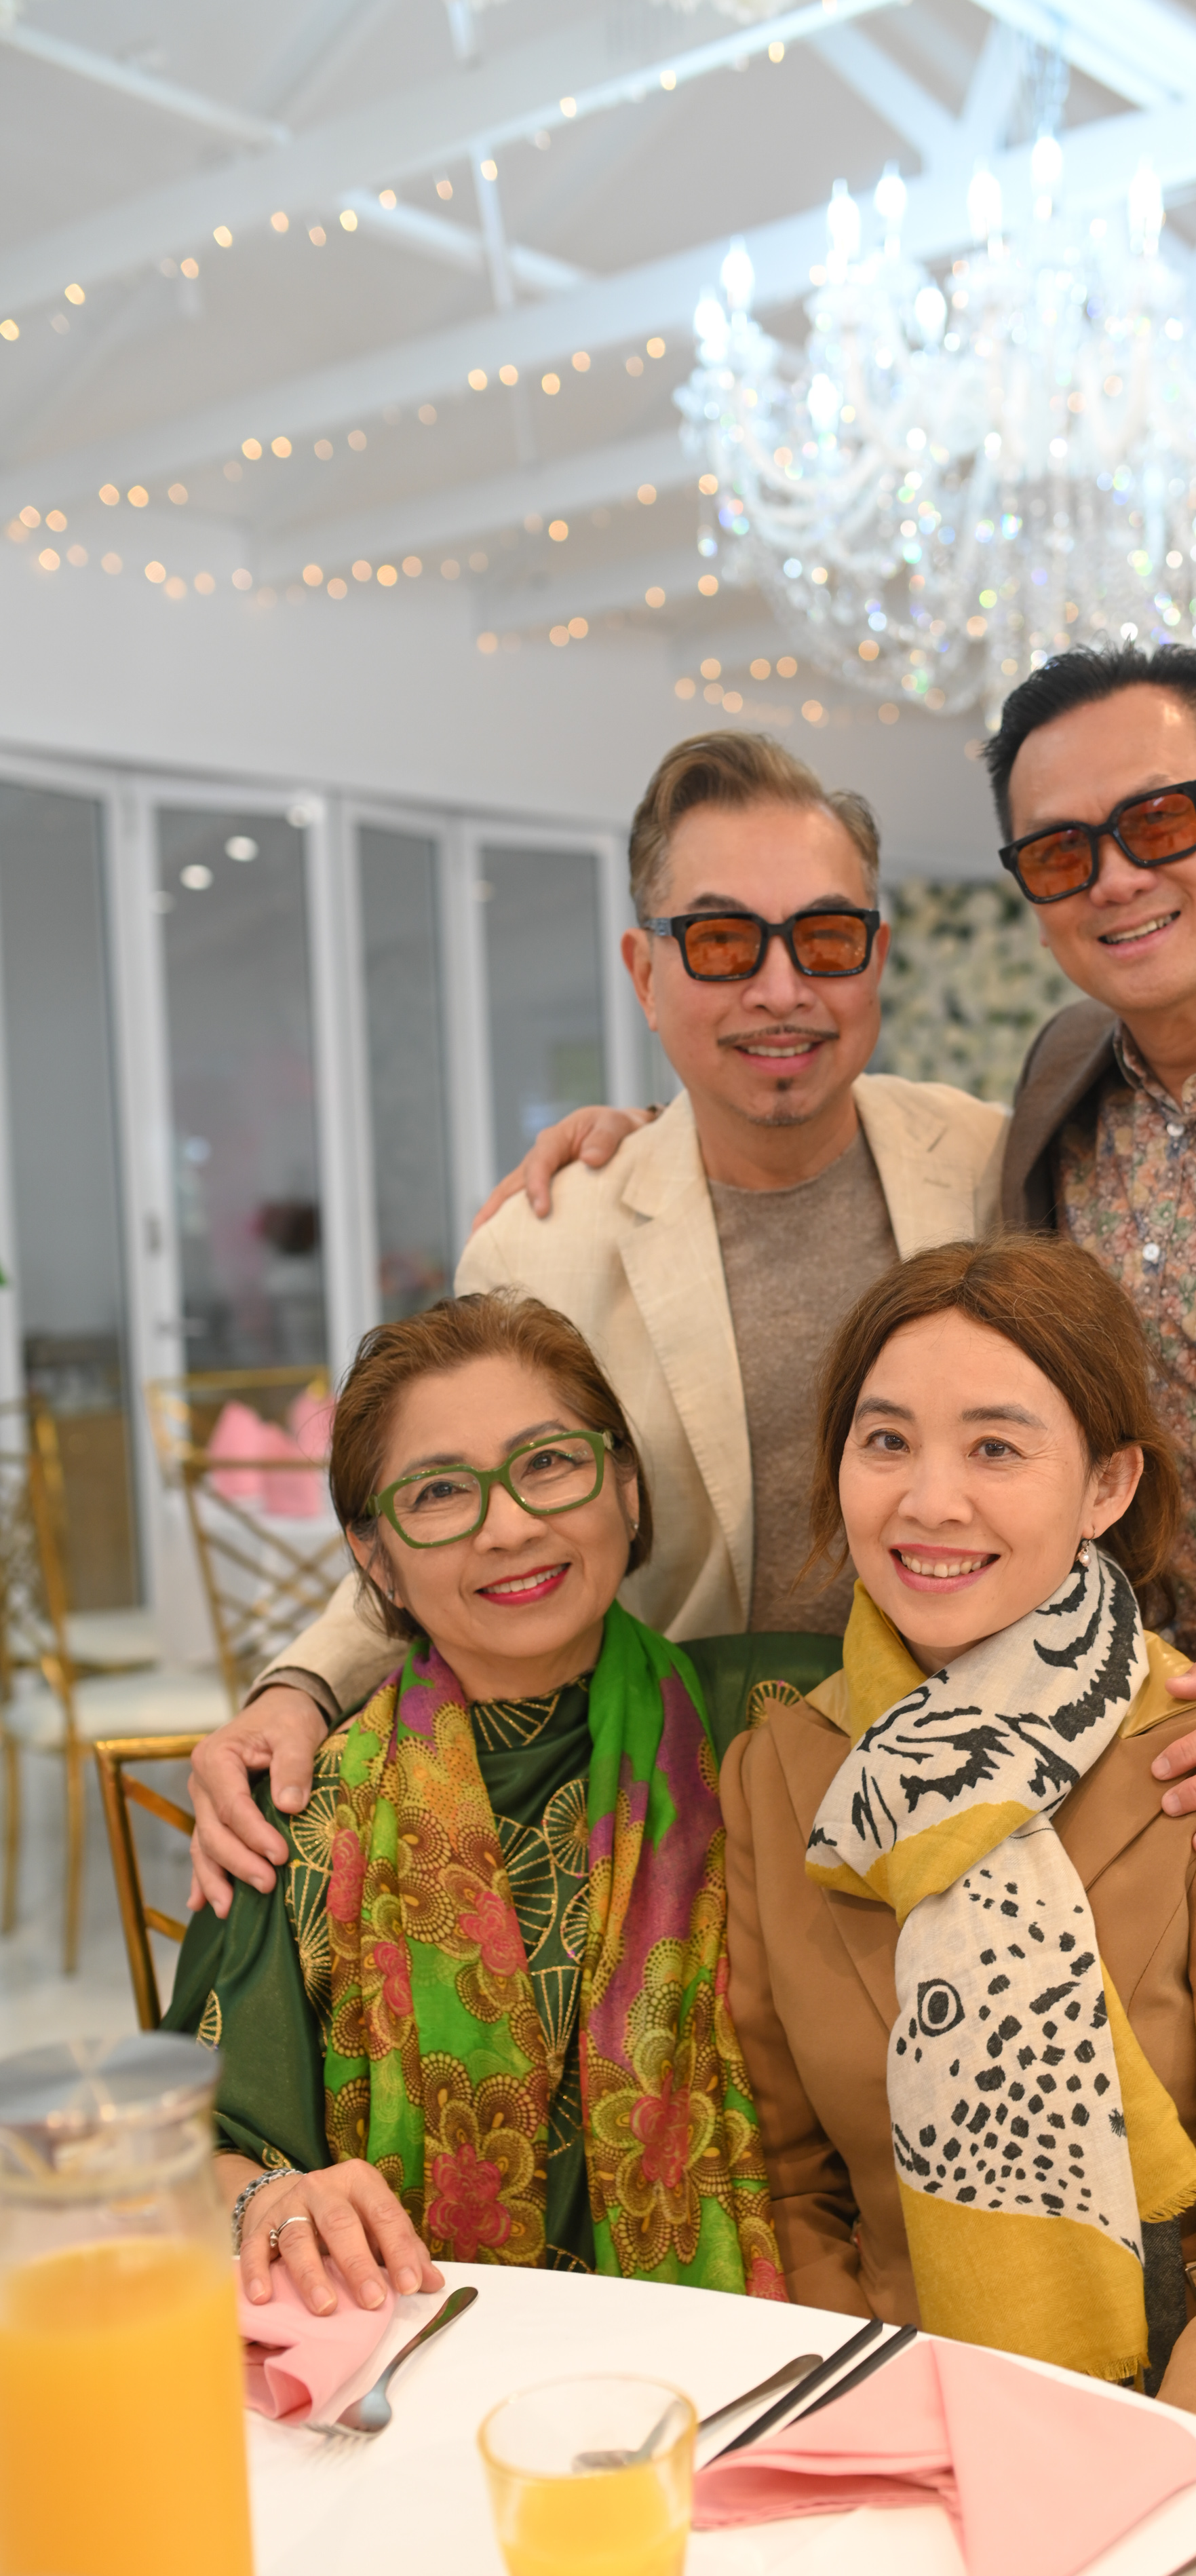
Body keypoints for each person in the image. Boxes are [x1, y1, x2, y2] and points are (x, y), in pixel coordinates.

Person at [489, 648, 1196, 2530]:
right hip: (1088, 1867)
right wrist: (625, 1135)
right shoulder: (1042, 1096)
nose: (1113, 873)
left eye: (1157, 819)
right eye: (1056, 848)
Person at [183, 730, 1004, 1919]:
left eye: (825, 936)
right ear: (644, 971)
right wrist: (301, 1689)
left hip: (979, 1806)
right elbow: (462, 1523)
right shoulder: (547, 1244)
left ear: (876, 952)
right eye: (721, 942)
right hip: (672, 1830)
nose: (782, 988)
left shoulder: (992, 1162)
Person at [721, 1232, 1196, 2533]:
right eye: (886, 1442)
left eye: (996, 1449)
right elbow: (795, 2194)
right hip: (922, 2442)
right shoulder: (783, 1775)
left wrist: (1127, 2500)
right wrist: (901, 2453)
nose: (930, 1501)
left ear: (1109, 1484)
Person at [166, 1290, 782, 2307]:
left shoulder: (768, 1731)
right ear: (376, 1559)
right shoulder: (303, 1811)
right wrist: (269, 2202)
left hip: (754, 2360)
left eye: (550, 1463)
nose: (510, 1526)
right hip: (406, 2351)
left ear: (627, 1489)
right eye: (441, 1491)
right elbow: (187, 2146)